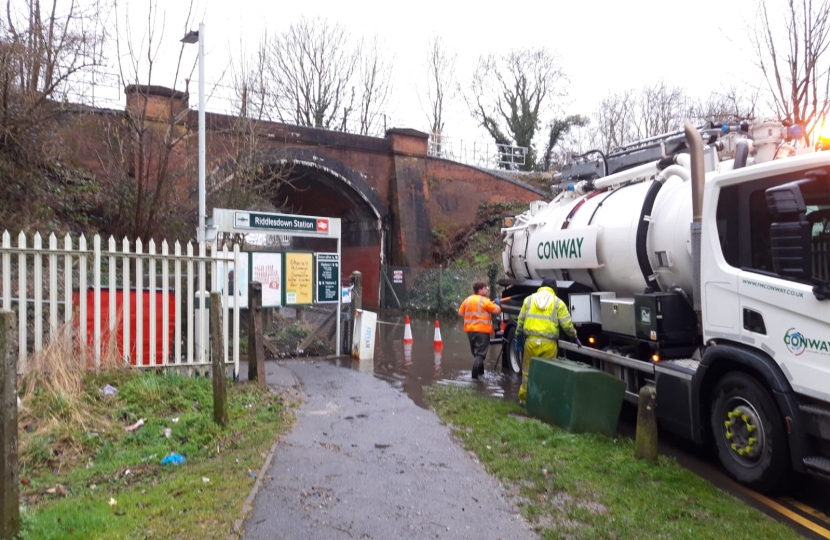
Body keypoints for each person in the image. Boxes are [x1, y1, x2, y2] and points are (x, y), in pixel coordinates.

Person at [516, 277, 580, 405]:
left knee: (527, 372)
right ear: (554, 289)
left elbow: (520, 321)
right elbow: (567, 325)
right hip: (549, 344)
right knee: (547, 373)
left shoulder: (528, 300)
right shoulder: (558, 303)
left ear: (541, 286)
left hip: (531, 343)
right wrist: (574, 336)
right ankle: (543, 401)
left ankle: (524, 400)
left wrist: (518, 337)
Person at [458, 281, 502, 379]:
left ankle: (481, 373)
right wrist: (498, 304)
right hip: (482, 331)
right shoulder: (485, 301)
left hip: (470, 331)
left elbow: (460, 313)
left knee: (476, 353)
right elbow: (497, 310)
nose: (486, 290)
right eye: (485, 288)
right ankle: (474, 377)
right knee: (480, 354)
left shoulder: (467, 300)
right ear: (480, 290)